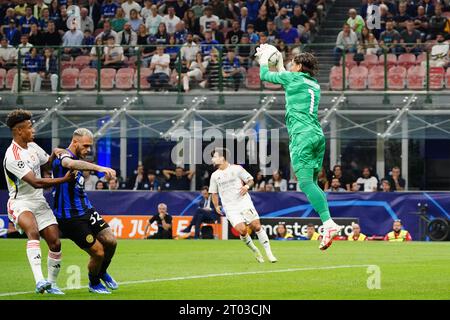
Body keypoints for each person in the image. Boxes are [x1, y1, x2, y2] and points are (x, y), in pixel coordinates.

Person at [257, 44, 343, 250]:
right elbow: (289, 78)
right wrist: (280, 65)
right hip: (316, 135)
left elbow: (264, 76)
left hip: (302, 137)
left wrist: (264, 59)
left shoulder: (293, 78)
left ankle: (329, 224)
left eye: (292, 62)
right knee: (312, 182)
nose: (290, 64)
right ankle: (327, 223)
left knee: (305, 184)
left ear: (299, 66)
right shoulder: (313, 84)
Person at [3, 109, 73, 294]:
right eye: (29, 127)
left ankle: (51, 284)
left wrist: (55, 154)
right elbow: (35, 182)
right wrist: (63, 180)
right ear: (19, 131)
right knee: (32, 231)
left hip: (39, 202)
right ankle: (39, 280)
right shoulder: (12, 156)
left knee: (55, 243)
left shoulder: (33, 147)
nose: (33, 131)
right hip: (20, 202)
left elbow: (47, 164)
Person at [52, 128, 118, 294]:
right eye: (86, 145)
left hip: (87, 210)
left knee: (111, 241)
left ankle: (102, 272)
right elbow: (68, 164)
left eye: (90, 146)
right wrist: (99, 168)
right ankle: (94, 283)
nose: (88, 150)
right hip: (70, 218)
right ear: (75, 142)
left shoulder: (76, 157)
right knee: (98, 252)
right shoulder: (64, 157)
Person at [209, 148, 277, 263]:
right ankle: (255, 250)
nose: (212, 159)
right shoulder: (215, 176)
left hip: (243, 202)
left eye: (215, 156)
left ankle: (269, 253)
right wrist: (216, 206)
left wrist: (246, 187)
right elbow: (214, 193)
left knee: (256, 226)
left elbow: (250, 180)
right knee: (242, 230)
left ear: (222, 157)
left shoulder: (236, 169)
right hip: (230, 207)